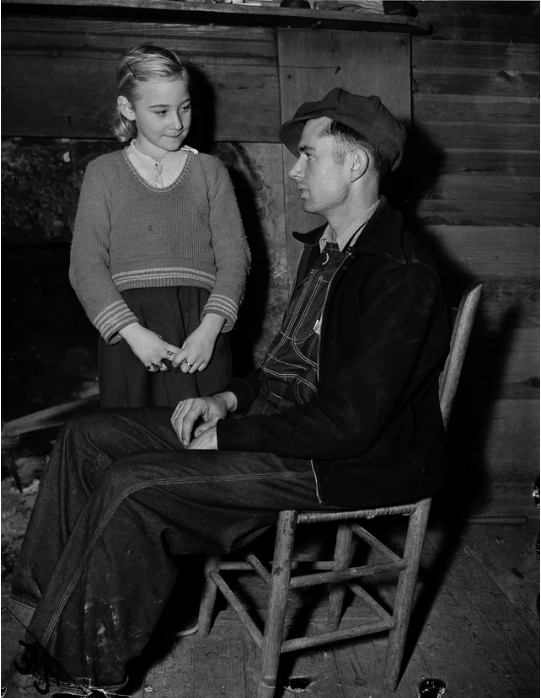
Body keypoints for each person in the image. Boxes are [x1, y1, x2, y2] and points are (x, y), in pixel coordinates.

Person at [6, 88, 450, 697]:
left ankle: (85, 671)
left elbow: (349, 425)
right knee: (88, 437)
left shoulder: (399, 275)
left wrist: (229, 435)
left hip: (340, 463)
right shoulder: (326, 253)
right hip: (283, 424)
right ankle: (55, 619)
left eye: (309, 154)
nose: (294, 169)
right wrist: (228, 400)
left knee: (134, 484)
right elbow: (281, 372)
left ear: (354, 165)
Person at [69, 44, 250, 408]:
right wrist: (132, 333)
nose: (177, 123)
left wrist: (209, 330)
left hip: (201, 332)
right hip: (132, 333)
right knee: (132, 447)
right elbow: (86, 266)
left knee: (202, 449)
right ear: (127, 108)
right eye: (161, 111)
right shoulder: (103, 173)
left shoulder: (210, 172)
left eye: (185, 107)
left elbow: (235, 259)